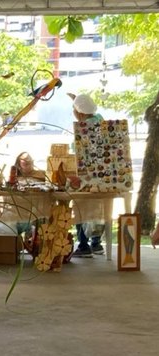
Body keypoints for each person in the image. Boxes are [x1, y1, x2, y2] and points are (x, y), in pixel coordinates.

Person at [71, 93, 105, 258]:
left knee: (80, 207)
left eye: (75, 111)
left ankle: (83, 245)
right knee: (98, 209)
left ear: (80, 113)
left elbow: (77, 151)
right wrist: (76, 99)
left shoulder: (84, 128)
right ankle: (96, 244)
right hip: (105, 176)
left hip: (87, 175)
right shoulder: (100, 120)